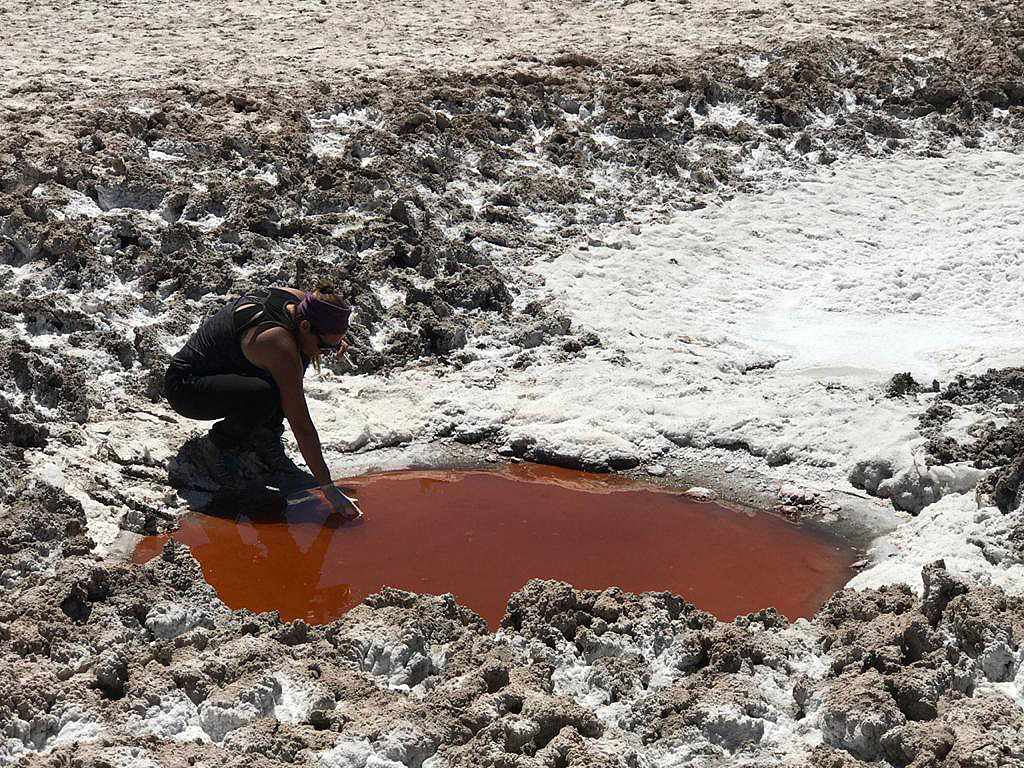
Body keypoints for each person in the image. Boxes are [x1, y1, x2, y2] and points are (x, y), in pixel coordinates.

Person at [164, 284, 358, 518]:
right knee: (265, 394)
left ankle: (264, 440)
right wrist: (328, 488)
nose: (326, 353)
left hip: (225, 375)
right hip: (186, 388)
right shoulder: (277, 341)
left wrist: (331, 341)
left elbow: (318, 327)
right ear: (305, 326)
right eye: (326, 347)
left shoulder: (302, 305)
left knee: (288, 369)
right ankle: (218, 447)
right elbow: (301, 424)